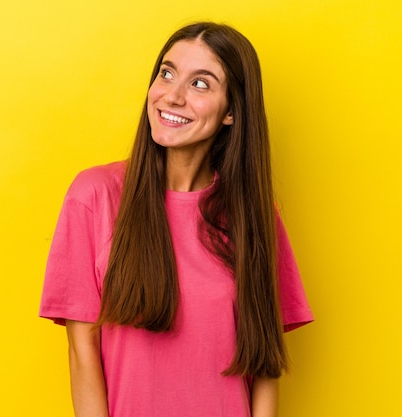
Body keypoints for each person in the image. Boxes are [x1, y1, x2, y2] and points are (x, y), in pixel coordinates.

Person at [39, 21, 314, 417]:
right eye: (167, 74)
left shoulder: (252, 216)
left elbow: (264, 364)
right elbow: (82, 350)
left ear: (232, 113)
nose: (173, 96)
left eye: (200, 84)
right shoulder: (94, 196)